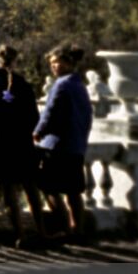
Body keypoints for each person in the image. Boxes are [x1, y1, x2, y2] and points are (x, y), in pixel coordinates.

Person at [0, 44, 50, 248]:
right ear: (14, 61)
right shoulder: (22, 83)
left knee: (9, 194)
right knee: (31, 189)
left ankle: (21, 235)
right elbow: (34, 117)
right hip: (22, 143)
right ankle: (41, 232)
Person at [34, 43, 94, 241]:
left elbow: (49, 113)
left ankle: (65, 228)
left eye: (57, 62)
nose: (54, 67)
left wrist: (37, 133)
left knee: (48, 186)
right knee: (73, 191)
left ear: (68, 63)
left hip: (57, 145)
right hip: (76, 145)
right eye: (52, 63)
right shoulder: (80, 85)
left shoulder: (61, 84)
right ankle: (78, 229)